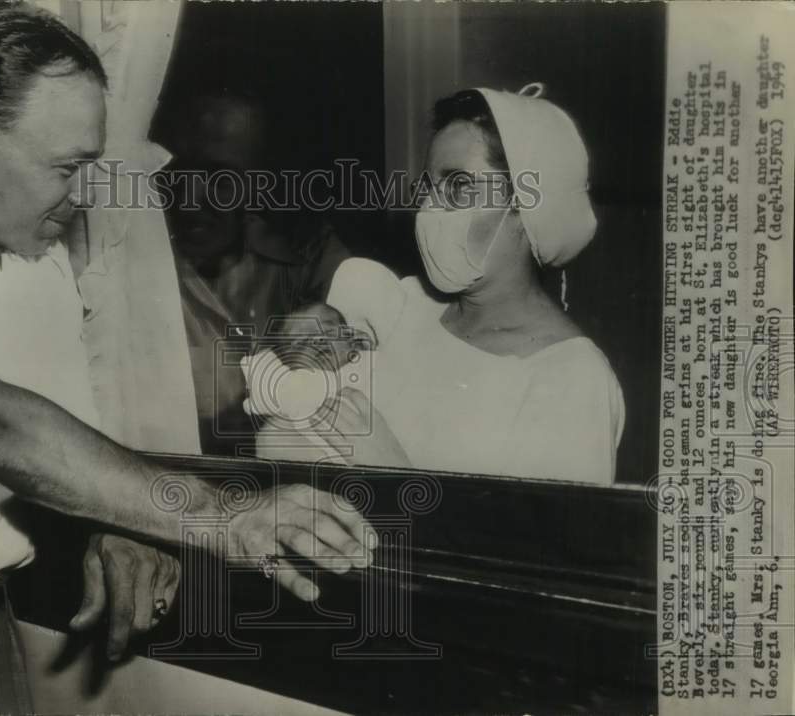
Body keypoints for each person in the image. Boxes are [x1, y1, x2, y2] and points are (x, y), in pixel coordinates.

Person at [0, 7, 373, 715]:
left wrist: (117, 527)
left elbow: (60, 441)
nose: (79, 198)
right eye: (65, 169)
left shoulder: (40, 267)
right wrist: (216, 515)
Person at [254, 84, 625, 485]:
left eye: (460, 186)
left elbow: (542, 546)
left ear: (528, 206)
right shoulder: (398, 309)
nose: (430, 209)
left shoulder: (571, 379)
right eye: (428, 188)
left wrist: (396, 477)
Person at [156, 90, 351, 455]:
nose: (190, 196)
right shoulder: (132, 264)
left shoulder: (309, 253)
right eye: (179, 172)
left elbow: (368, 343)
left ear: (258, 183)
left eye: (220, 178)